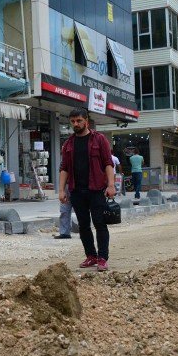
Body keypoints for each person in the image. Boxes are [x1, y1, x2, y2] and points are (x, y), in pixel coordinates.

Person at [58, 108, 116, 272]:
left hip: (97, 189)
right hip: (76, 191)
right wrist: (61, 190)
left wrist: (111, 185)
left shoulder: (99, 139)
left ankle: (102, 258)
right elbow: (64, 168)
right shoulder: (68, 144)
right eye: (73, 121)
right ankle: (91, 256)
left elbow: (108, 163)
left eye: (79, 121)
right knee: (83, 225)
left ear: (86, 122)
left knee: (100, 223)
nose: (75, 124)